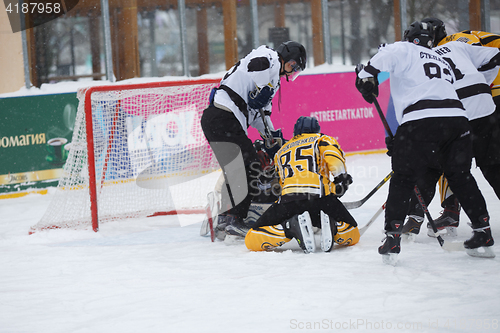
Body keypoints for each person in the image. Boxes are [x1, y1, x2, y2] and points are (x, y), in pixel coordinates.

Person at [355, 21, 495, 262]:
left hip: (420, 120)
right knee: (460, 176)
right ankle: (483, 230)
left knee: (403, 177)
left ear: (410, 37)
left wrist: (366, 77)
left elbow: (379, 61)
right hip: (458, 120)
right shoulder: (440, 57)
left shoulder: (404, 48)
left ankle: (392, 236)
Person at [400, 18, 500, 240]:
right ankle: (458, 216)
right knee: (493, 165)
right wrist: (485, 83)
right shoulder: (459, 44)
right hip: (486, 105)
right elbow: (495, 55)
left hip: (458, 112)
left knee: (439, 165)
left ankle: (421, 214)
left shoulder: (423, 60)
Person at [201, 41, 307, 240]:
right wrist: (262, 87)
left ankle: (226, 218)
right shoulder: (269, 58)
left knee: (237, 168)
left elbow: (260, 115)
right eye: (293, 66)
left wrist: (272, 137)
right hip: (223, 117)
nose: (291, 72)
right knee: (248, 166)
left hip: (221, 120)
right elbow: (255, 63)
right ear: (286, 57)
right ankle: (235, 219)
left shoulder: (273, 81)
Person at [244, 116, 360, 253]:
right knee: (354, 233)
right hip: (321, 198)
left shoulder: (281, 151)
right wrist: (341, 180)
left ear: (295, 133)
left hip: (289, 200)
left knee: (252, 238)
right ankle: (334, 227)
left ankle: (289, 227)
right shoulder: (322, 139)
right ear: (317, 130)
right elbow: (333, 156)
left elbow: (280, 184)